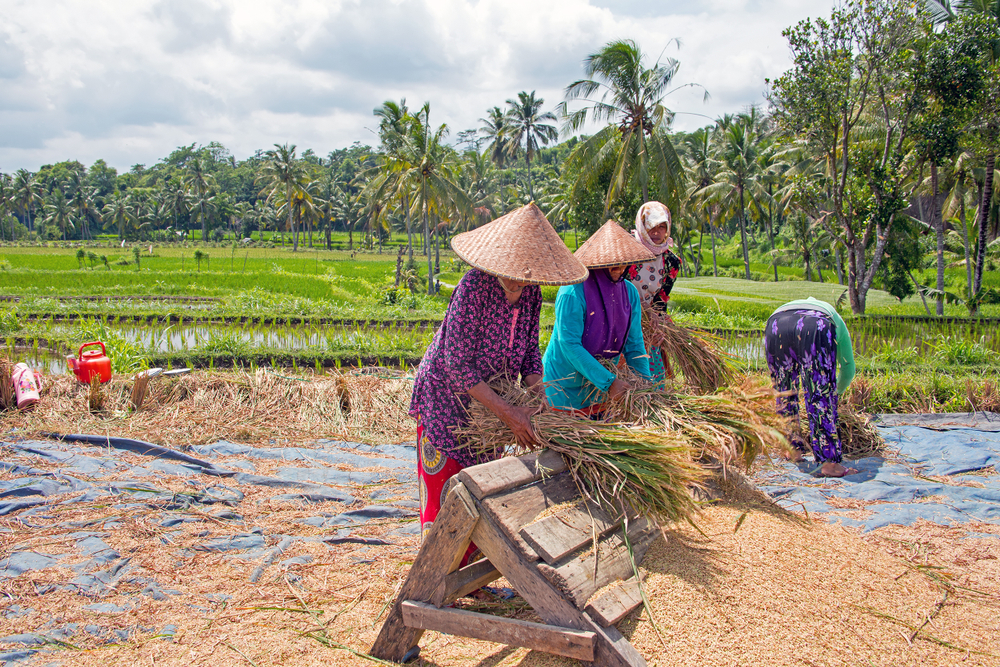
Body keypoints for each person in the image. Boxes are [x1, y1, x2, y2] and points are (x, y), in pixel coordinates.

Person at [409, 203, 588, 541]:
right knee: (447, 490)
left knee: (482, 491)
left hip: (490, 407)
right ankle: (437, 582)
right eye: (521, 265)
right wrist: (510, 415)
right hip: (446, 400)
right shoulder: (475, 287)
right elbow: (457, 367)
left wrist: (540, 398)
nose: (526, 274)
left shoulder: (531, 292)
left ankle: (473, 580)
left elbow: (530, 356)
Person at [544, 220, 655, 414]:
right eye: (611, 262)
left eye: (623, 262)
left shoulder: (629, 293)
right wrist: (609, 383)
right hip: (563, 388)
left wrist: (646, 386)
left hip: (599, 388)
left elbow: (635, 344)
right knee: (566, 443)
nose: (618, 268)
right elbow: (569, 344)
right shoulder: (573, 292)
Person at [765, 297, 857, 478]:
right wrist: (836, 393)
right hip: (816, 325)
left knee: (784, 391)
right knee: (819, 395)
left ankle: (792, 451)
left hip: (776, 323)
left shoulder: (788, 307)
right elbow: (848, 368)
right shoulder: (834, 318)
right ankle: (829, 464)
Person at [626, 201, 683, 381]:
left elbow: (661, 299)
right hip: (623, 314)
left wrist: (658, 323)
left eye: (662, 227)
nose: (657, 233)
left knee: (652, 370)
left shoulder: (671, 262)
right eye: (651, 227)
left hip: (648, 319)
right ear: (642, 226)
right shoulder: (626, 252)